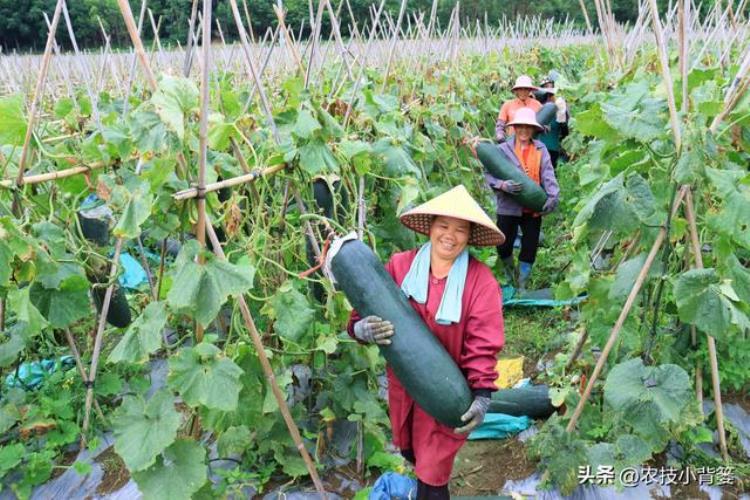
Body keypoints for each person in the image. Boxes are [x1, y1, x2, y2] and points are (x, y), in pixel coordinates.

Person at [347, 185, 505, 499]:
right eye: (443, 226)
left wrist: (483, 393)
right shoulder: (399, 266)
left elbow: (482, 343)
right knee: (413, 456)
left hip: (446, 391)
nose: (450, 235)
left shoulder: (481, 281)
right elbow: (364, 307)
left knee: (433, 477)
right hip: (404, 388)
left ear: (470, 235)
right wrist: (360, 329)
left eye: (460, 229)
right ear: (430, 227)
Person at [485, 108, 560, 289]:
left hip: (533, 207)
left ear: (533, 129)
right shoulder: (501, 150)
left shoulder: (540, 149)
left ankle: (522, 283)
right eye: (520, 127)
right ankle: (510, 274)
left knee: (529, 246)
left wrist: (552, 196)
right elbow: (488, 173)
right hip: (508, 206)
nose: (524, 131)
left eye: (528, 127)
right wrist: (502, 185)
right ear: (514, 128)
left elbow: (548, 174)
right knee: (503, 245)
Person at [535, 74, 569, 169]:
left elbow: (565, 132)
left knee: (548, 175)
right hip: (538, 147)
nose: (549, 97)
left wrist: (562, 120)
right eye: (547, 94)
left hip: (552, 148)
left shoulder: (559, 107)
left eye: (550, 94)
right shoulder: (536, 107)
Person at [495, 75, 542, 143]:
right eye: (520, 89)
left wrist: (541, 128)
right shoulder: (507, 105)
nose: (523, 92)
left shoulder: (537, 105)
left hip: (532, 143)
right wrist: (500, 136)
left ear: (530, 90)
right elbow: (500, 125)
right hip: (512, 143)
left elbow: (546, 126)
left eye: (526, 89)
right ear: (516, 90)